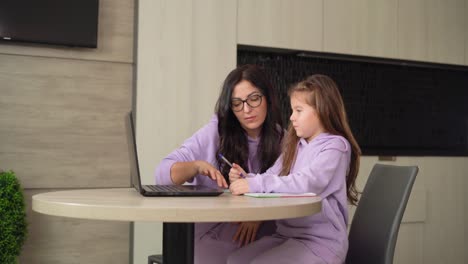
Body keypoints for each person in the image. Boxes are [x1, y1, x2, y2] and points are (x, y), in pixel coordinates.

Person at [154, 64, 284, 264]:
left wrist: (259, 214)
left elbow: (294, 187)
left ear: (268, 97)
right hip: (212, 234)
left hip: (264, 234)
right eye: (237, 103)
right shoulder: (216, 132)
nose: (247, 110)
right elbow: (163, 174)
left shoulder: (283, 138)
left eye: (254, 99)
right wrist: (196, 166)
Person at [227, 74, 361, 264]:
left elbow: (308, 183)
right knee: (235, 260)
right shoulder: (297, 145)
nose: (292, 117)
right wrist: (246, 178)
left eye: (298, 110)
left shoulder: (335, 147)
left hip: (321, 243)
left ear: (322, 111)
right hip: (288, 236)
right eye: (292, 110)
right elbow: (272, 175)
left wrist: (254, 184)